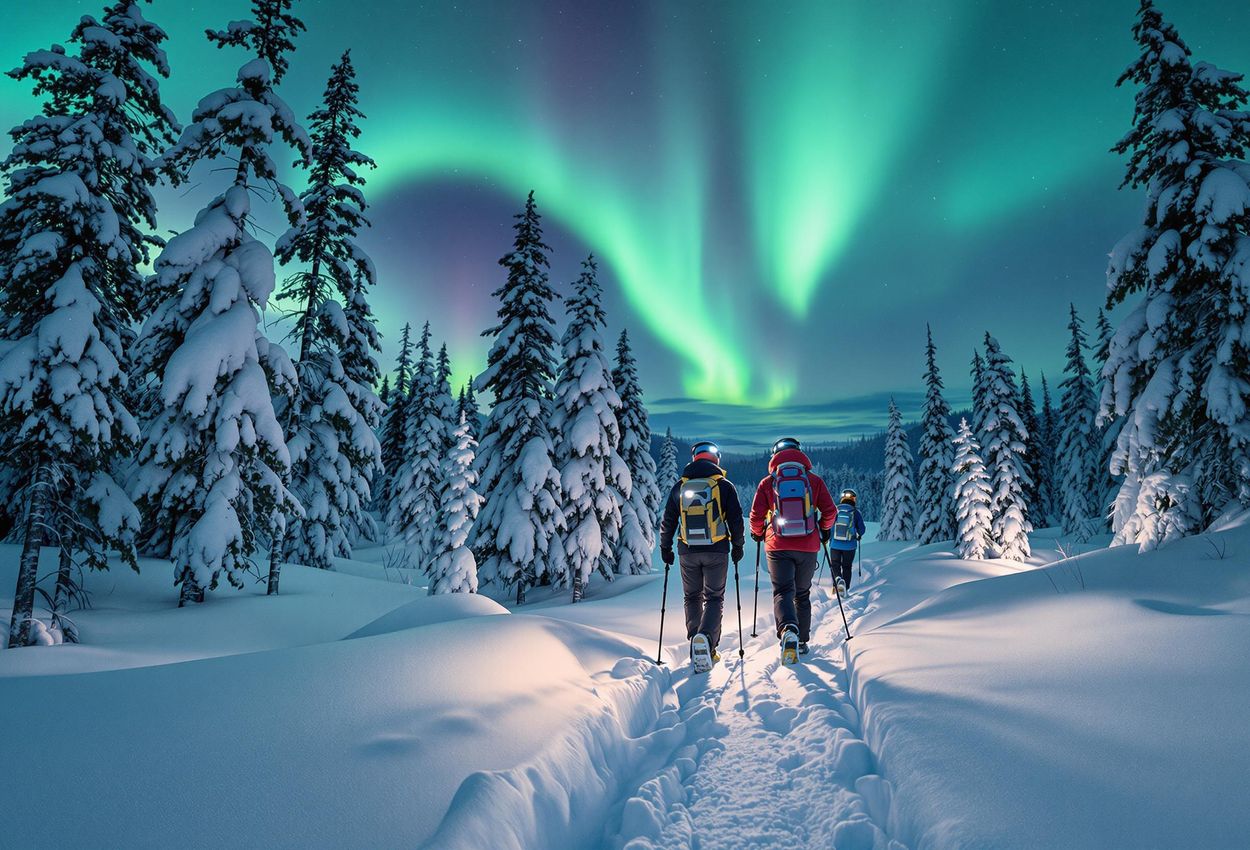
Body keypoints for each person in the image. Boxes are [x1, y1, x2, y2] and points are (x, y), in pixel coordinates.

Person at [659, 439, 745, 670]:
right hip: (717, 549)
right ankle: (707, 642)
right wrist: (738, 546)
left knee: (692, 597)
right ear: (716, 460)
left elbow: (668, 520)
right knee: (714, 598)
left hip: (687, 550)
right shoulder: (724, 486)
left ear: (694, 458)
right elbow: (736, 520)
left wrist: (665, 548)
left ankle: (695, 641)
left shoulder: (680, 486)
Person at [749, 437, 836, 660]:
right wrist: (824, 530)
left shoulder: (768, 482)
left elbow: (756, 515)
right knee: (802, 594)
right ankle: (803, 641)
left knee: (782, 591)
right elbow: (830, 512)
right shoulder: (813, 480)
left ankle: (788, 629)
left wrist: (757, 532)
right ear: (799, 453)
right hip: (808, 546)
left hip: (777, 546)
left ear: (774, 456)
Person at [828, 488, 866, 596]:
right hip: (850, 546)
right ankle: (845, 588)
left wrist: (829, 538)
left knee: (835, 564)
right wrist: (858, 535)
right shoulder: (855, 513)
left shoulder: (836, 510)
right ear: (854, 499)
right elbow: (862, 530)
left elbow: (829, 525)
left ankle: (837, 580)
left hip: (835, 544)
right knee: (847, 566)